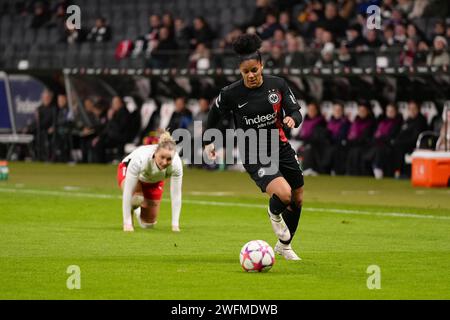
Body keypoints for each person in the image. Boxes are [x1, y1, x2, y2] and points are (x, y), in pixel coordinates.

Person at [204, 34, 304, 260]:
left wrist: (292, 120)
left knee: (297, 197)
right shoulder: (231, 93)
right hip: (254, 151)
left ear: (261, 66)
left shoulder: (277, 84)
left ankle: (284, 246)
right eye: (245, 72)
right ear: (240, 72)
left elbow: (295, 110)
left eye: (254, 71)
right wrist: (208, 140)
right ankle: (273, 213)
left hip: (280, 146)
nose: (250, 76)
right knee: (284, 195)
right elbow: (214, 113)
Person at [118, 131, 183, 232]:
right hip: (130, 172)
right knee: (136, 196)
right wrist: (127, 223)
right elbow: (128, 191)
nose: (165, 162)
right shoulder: (140, 159)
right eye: (162, 157)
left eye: (169, 159)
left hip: (154, 181)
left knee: (148, 224)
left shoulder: (176, 165)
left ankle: (136, 208)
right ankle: (131, 209)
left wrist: (175, 225)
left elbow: (176, 195)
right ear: (155, 153)